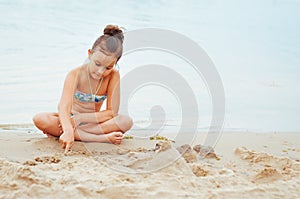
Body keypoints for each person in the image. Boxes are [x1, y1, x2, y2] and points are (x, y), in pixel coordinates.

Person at [33, 25, 133, 152]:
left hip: (93, 122)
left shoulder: (114, 76)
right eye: (97, 64)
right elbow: (64, 107)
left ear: (115, 64)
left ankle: (75, 134)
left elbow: (111, 112)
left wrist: (80, 119)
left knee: (125, 121)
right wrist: (69, 127)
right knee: (40, 118)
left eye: (108, 67)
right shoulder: (75, 74)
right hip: (71, 119)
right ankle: (101, 138)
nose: (100, 71)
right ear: (90, 54)